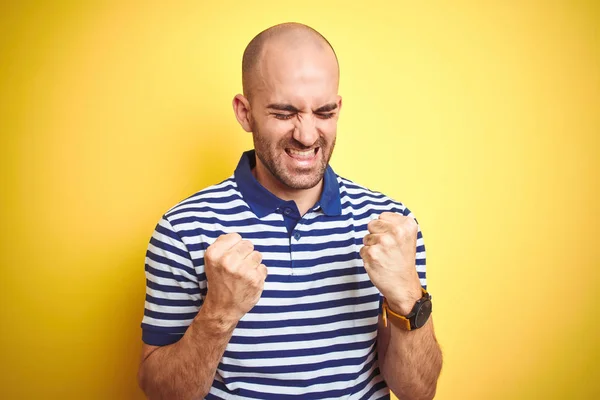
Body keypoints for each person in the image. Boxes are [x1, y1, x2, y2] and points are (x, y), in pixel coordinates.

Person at [137, 22, 442, 400]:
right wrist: (218, 315)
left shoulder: (390, 225)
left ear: (339, 108)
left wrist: (408, 296)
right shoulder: (182, 229)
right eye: (284, 113)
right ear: (245, 113)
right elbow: (161, 392)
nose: (308, 135)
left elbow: (419, 391)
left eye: (324, 112)